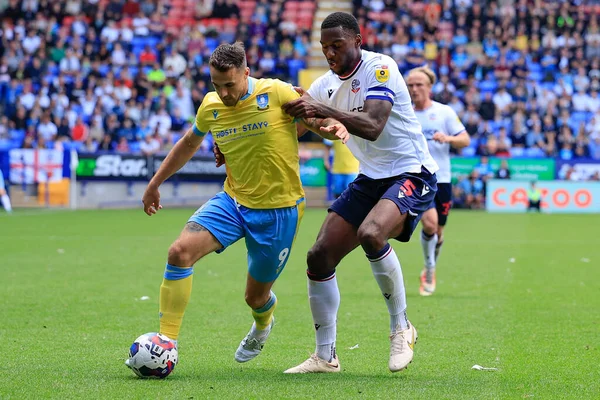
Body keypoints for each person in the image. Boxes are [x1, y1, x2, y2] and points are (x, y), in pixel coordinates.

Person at [128, 43, 349, 369]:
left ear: (246, 73)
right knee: (179, 252)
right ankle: (166, 343)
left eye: (229, 84)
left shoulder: (275, 91)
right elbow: (189, 143)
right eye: (216, 85)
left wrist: (331, 127)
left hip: (279, 211)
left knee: (255, 298)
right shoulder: (211, 105)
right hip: (232, 201)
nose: (224, 92)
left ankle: (263, 323)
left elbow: (313, 121)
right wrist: (154, 183)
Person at [280, 12, 439, 374]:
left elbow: (372, 125)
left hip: (412, 171)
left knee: (371, 232)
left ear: (357, 41)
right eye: (324, 48)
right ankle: (325, 356)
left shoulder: (380, 68)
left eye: (337, 45)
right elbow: (294, 121)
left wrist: (322, 110)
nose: (330, 54)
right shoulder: (325, 84)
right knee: (318, 256)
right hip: (371, 178)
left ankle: (402, 328)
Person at [406, 66, 470, 296]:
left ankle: (429, 264)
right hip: (417, 178)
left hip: (442, 178)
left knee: (439, 231)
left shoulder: (444, 112)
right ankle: (430, 269)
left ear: (429, 87)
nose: (414, 89)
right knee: (430, 224)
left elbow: (465, 139)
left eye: (419, 85)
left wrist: (449, 138)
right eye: (410, 85)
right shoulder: (405, 113)